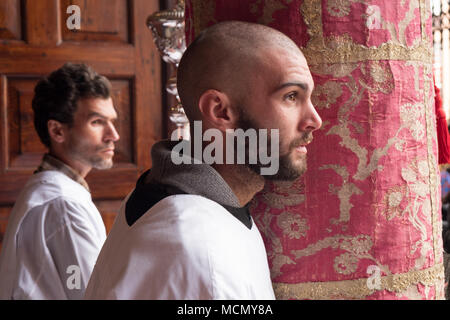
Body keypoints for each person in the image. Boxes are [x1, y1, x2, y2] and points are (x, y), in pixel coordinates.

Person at [84, 21, 322, 300]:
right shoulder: (201, 248)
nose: (314, 120)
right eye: (291, 96)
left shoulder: (181, 198)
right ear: (220, 111)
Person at [0, 63, 120, 299]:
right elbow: (95, 296)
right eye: (97, 122)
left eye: (112, 121)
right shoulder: (63, 204)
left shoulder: (53, 192)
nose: (113, 135)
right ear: (57, 131)